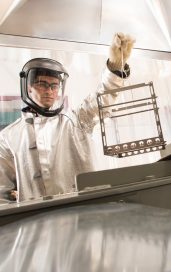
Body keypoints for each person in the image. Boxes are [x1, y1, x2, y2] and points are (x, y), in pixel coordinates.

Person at [0, 33, 135, 202]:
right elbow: (2, 196)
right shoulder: (7, 138)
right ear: (28, 87)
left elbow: (101, 101)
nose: (49, 91)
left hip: (85, 215)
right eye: (42, 84)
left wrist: (115, 69)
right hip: (38, 223)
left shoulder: (75, 121)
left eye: (54, 85)